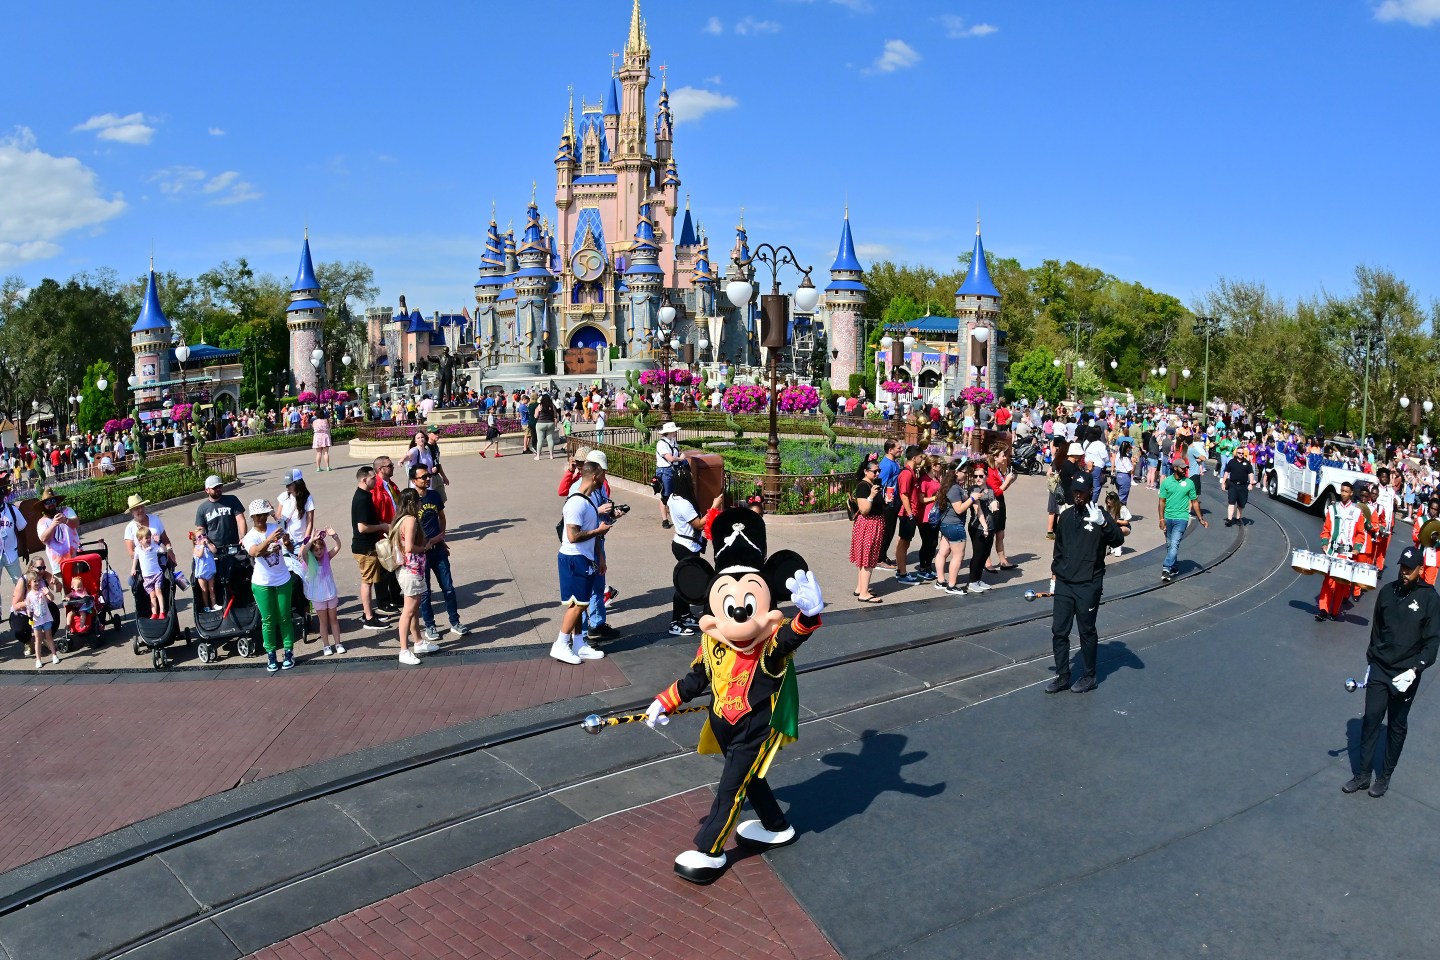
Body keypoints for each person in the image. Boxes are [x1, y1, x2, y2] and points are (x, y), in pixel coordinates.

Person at [1343, 547, 1440, 798]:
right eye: (1402, 567)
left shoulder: (1430, 599)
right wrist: (1372, 659)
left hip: (1405, 675)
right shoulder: (1387, 592)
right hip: (1380, 667)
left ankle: (1384, 776)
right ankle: (1362, 775)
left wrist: (1415, 670)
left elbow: (1432, 643)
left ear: (1421, 570)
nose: (1404, 572)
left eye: (1410, 569)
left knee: (1396, 725)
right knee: (1372, 717)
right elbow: (1377, 629)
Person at [1046, 473, 1127, 693]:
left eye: (1082, 491)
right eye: (1075, 491)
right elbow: (1059, 550)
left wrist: (1104, 524)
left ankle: (1089, 676)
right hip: (1064, 582)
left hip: (1088, 583)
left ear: (1091, 491)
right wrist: (1054, 577)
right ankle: (1063, 676)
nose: (1078, 495)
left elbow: (1118, 540)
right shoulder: (1066, 516)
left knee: (1086, 630)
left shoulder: (1100, 515)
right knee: (1059, 631)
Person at [552, 461, 611, 664]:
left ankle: (578, 643)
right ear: (595, 476)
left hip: (583, 557)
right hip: (574, 558)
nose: (605, 479)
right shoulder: (577, 502)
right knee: (576, 605)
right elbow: (573, 535)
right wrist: (598, 531)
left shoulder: (587, 501)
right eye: (603, 474)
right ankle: (560, 644)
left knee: (580, 603)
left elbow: (589, 533)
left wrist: (599, 556)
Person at [411, 463, 468, 644]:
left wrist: (441, 536)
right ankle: (430, 625)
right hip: (421, 554)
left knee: (449, 588)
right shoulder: (410, 500)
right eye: (423, 477)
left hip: (438, 550)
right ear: (414, 481)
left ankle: (455, 622)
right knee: (425, 592)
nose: (427, 479)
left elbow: (441, 517)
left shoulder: (434, 496)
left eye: (428, 476)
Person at [242, 498, 297, 672]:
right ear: (252, 517)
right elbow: (255, 552)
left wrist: (287, 542)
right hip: (262, 583)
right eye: (257, 516)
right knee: (268, 620)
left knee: (284, 617)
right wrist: (269, 540)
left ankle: (288, 651)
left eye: (264, 515)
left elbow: (290, 548)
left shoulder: (276, 528)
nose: (261, 519)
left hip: (282, 579)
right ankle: (271, 654)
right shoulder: (249, 536)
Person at [392, 488, 436, 665]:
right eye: (418, 500)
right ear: (412, 503)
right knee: (408, 611)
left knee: (412, 608)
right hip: (411, 569)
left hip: (407, 569)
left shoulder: (399, 519)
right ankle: (404, 649)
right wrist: (425, 548)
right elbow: (409, 547)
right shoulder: (410, 520)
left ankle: (417, 641)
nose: (420, 503)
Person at [1315, 480, 1364, 622]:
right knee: (1328, 581)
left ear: (1351, 493)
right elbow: (1326, 530)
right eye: (1342, 491)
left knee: (1341, 583)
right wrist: (1324, 543)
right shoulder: (1333, 509)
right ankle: (1323, 609)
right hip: (1333, 551)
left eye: (1346, 491)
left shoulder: (1357, 512)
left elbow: (1361, 534)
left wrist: (1357, 548)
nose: (1343, 493)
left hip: (1347, 553)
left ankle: (1335, 611)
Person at [666, 462, 705, 635]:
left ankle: (685, 614)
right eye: (690, 480)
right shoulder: (684, 504)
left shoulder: (673, 498)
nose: (693, 483)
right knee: (685, 583)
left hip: (680, 542)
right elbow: (699, 525)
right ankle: (675, 622)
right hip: (687, 546)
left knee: (688, 580)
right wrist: (714, 507)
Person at [351, 465, 390, 631]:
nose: (376, 479)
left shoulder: (365, 495)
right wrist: (382, 526)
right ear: (364, 480)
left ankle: (369, 612)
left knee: (370, 582)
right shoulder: (362, 498)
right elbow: (362, 527)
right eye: (373, 477)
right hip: (364, 548)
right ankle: (368, 618)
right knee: (367, 583)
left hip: (367, 547)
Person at [1158, 456, 1207, 582]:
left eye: (1186, 468)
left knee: (1174, 544)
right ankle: (1174, 566)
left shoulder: (1189, 483)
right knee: (1170, 545)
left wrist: (1200, 518)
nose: (1185, 470)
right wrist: (1161, 519)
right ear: (1175, 468)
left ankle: (1166, 568)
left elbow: (1194, 502)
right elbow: (1161, 502)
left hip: (1182, 518)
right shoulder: (1166, 482)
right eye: (1182, 468)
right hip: (1168, 517)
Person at [195, 475, 247, 587]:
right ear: (207, 490)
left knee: (237, 574)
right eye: (215, 488)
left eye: (220, 486)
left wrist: (243, 537)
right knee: (218, 578)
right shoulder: (202, 508)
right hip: (215, 549)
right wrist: (202, 543)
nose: (218, 489)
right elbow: (200, 530)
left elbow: (240, 519)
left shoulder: (232, 500)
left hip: (233, 545)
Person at [304, 528, 345, 656]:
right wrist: (311, 540)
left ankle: (338, 643)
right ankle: (326, 645)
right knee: (323, 622)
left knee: (334, 619)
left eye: (321, 549)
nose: (319, 552)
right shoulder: (309, 560)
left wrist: (335, 536)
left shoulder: (327, 556)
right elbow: (304, 552)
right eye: (316, 550)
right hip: (318, 596)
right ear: (312, 551)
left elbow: (338, 547)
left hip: (330, 593)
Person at [849, 458, 885, 603]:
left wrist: (885, 499)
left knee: (866, 558)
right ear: (865, 471)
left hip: (873, 524)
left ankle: (860, 588)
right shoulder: (864, 486)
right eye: (874, 471)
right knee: (868, 560)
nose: (877, 474)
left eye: (879, 471)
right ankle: (864, 593)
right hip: (868, 524)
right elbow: (864, 510)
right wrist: (871, 496)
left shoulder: (872, 484)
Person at [893, 445, 922, 584]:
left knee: (905, 543)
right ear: (914, 457)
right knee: (903, 544)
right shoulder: (906, 474)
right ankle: (902, 574)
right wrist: (910, 514)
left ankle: (901, 571)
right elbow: (904, 495)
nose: (922, 459)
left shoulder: (912, 472)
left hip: (911, 513)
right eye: (921, 456)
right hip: (906, 514)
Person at [37, 489, 81, 575]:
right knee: (65, 587)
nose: (51, 504)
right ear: (43, 505)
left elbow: (76, 523)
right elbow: (43, 540)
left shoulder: (67, 511)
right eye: (47, 502)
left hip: (76, 557)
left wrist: (66, 520)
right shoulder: (42, 522)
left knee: (79, 586)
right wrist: (53, 524)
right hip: (58, 563)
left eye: (53, 500)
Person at [876, 440, 903, 568]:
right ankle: (879, 558)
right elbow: (881, 484)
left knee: (890, 530)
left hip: (893, 501)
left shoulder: (893, 463)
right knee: (886, 531)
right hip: (888, 503)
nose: (901, 450)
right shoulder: (887, 465)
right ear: (890, 450)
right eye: (898, 448)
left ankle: (883, 556)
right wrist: (885, 501)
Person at [130, 526, 168, 620]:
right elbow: (136, 558)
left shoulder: (154, 546)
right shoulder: (138, 549)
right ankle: (154, 613)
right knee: (152, 596)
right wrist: (133, 568)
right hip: (146, 577)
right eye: (146, 538)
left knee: (158, 592)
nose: (148, 539)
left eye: (149, 537)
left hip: (156, 574)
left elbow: (164, 551)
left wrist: (159, 542)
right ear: (140, 540)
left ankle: (162, 612)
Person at [25, 566, 58, 669]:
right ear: (30, 583)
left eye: (39, 581)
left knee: (49, 637)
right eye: (35, 581)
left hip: (46, 618)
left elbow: (52, 599)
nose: (37, 583)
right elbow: (28, 608)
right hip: (36, 621)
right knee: (38, 640)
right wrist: (29, 613)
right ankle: (38, 659)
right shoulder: (29, 595)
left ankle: (54, 655)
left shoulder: (42, 591)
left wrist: (48, 593)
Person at [276, 468, 317, 548]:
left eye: (289, 484)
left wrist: (305, 544)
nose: (287, 487)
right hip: (284, 541)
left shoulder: (307, 499)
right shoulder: (284, 496)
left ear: (298, 483)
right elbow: (279, 520)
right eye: (286, 484)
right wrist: (273, 513)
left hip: (300, 542)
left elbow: (310, 523)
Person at [0, 479, 27, 594]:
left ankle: (24, 607)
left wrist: (25, 549)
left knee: (20, 582)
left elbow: (22, 530)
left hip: (11, 553)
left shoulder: (11, 510)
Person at [655, 421, 683, 529]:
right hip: (664, 470)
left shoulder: (673, 441)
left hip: (674, 469)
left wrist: (680, 457)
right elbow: (670, 458)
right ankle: (665, 519)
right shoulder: (661, 443)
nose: (676, 432)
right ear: (669, 432)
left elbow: (676, 454)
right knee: (665, 495)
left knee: (675, 494)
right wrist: (681, 458)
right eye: (674, 431)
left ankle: (674, 516)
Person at [1221, 444, 1255, 527]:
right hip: (1233, 484)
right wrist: (1223, 482)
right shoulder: (1231, 462)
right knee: (1231, 502)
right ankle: (1229, 519)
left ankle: (1238, 518)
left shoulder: (1247, 463)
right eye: (1239, 453)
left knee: (1241, 504)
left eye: (1242, 453)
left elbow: (1251, 473)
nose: (1241, 454)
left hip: (1243, 486)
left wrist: (1251, 483)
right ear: (1236, 453)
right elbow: (1226, 472)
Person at [1411, 496, 1440, 586]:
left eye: (1435, 509)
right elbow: (1414, 537)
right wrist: (1425, 536)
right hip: (1420, 555)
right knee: (1416, 581)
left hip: (1433, 558)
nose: (1433, 511)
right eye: (1431, 508)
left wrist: (1436, 540)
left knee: (1429, 585)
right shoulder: (1420, 520)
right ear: (1429, 508)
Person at [191, 529, 219, 612]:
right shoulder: (196, 548)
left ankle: (214, 604)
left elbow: (215, 551)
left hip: (210, 571)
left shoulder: (209, 546)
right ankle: (206, 606)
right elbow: (199, 555)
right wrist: (202, 546)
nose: (202, 538)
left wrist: (208, 543)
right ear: (195, 541)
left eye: (204, 535)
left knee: (212, 589)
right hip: (201, 573)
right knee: (204, 590)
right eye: (199, 537)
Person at [533, 392, 559, 460]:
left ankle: (538, 456)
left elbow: (535, 416)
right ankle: (551, 455)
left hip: (540, 423)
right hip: (550, 423)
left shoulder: (540, 406)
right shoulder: (552, 406)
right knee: (550, 440)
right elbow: (555, 415)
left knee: (540, 440)